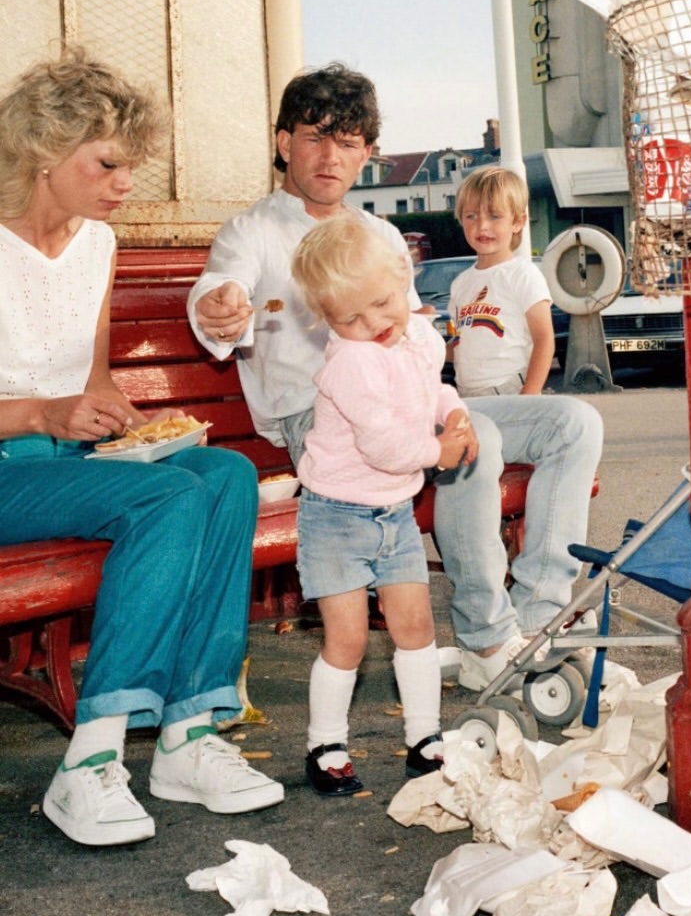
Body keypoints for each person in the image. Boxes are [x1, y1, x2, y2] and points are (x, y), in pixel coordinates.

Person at [187, 65, 603, 697]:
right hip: (321, 419)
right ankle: (488, 638)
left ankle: (539, 615)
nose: (330, 157)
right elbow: (222, 289)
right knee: (478, 441)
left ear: (367, 154)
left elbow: (410, 338)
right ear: (283, 143)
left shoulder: (379, 234)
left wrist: (442, 402)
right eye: (313, 138)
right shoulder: (254, 232)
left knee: (573, 423)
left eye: (348, 142)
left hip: (410, 403)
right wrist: (218, 305)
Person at [0, 50, 283, 848]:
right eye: (109, 163)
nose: (126, 182)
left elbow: (90, 381)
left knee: (222, 473)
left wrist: (110, 412)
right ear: (44, 153)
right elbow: (49, 404)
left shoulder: (96, 245)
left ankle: (188, 736)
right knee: (169, 495)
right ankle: (89, 760)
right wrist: (45, 411)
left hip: (66, 468)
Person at [290, 215, 475, 794]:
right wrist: (438, 453)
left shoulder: (417, 335)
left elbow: (429, 388)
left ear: (403, 275)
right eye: (350, 318)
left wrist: (452, 412)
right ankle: (325, 742)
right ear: (326, 319)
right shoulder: (349, 360)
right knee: (346, 639)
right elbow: (385, 444)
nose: (371, 325)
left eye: (381, 304)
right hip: (335, 515)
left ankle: (425, 737)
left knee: (416, 627)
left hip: (393, 513)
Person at [449, 167, 555, 397]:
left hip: (509, 389)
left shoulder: (523, 274)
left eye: (494, 216)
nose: (482, 226)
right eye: (471, 216)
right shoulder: (461, 283)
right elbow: (463, 342)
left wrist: (530, 394)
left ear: (518, 222)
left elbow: (544, 339)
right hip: (466, 392)